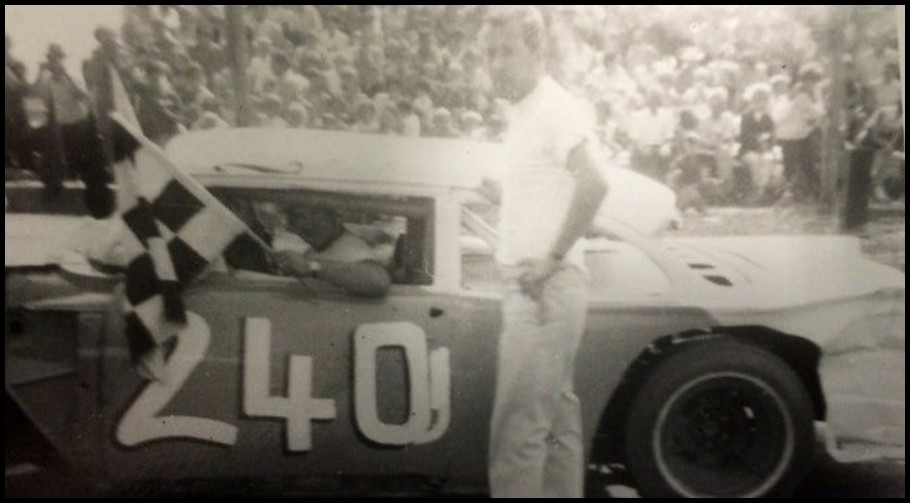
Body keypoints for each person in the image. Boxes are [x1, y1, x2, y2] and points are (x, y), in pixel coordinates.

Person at [484, 7, 609, 498]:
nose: (496, 63)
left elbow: (596, 182)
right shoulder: (528, 110)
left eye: (507, 52)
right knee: (556, 425)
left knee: (517, 434)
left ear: (538, 51)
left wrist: (552, 257)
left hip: (541, 289)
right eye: (490, 53)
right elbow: (550, 186)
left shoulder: (551, 108)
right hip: (551, 289)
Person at [272, 205, 391, 298]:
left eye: (315, 214)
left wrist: (311, 266)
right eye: (297, 216)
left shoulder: (353, 248)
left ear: (336, 216)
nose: (307, 225)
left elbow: (379, 281)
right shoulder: (318, 247)